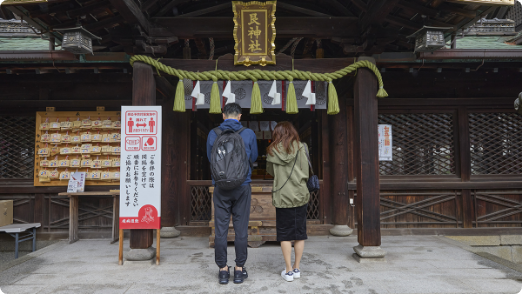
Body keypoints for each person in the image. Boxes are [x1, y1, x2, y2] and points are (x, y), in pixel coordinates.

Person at [206, 103, 258, 285]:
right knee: (241, 229)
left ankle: (222, 270)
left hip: (220, 187)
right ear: (240, 116)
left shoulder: (213, 134)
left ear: (223, 115)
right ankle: (238, 269)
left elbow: (209, 159)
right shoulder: (249, 134)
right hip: (242, 186)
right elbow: (253, 158)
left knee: (220, 229)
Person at [266, 122, 310, 282]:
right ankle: (297, 268)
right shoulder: (302, 147)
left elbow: (270, 172)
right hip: (300, 194)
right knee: (299, 234)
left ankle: (288, 270)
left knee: (284, 234)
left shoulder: (271, 150)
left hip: (282, 196)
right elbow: (305, 171)